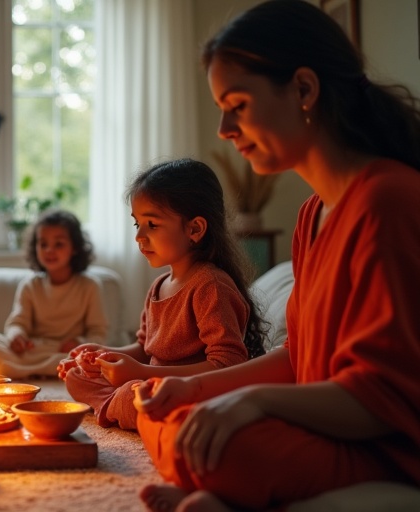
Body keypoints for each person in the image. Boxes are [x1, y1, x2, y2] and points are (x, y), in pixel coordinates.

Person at [133, 1, 420, 511]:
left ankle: (223, 490)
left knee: (225, 445)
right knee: (163, 411)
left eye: (237, 104)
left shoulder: (388, 201)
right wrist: (192, 387)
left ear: (304, 90)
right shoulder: (312, 215)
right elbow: (299, 360)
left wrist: (250, 400)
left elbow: (382, 400)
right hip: (324, 427)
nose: (223, 128)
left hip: (384, 445)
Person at [59, 159, 266, 431]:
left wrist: (142, 374)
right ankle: (120, 405)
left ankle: (121, 406)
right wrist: (103, 355)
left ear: (194, 229)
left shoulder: (210, 286)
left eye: (152, 225)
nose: (139, 236)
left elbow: (226, 366)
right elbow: (144, 350)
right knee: (78, 376)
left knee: (133, 392)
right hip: (150, 384)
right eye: (137, 225)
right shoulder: (158, 286)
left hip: (192, 393)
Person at [0, 209, 108, 378]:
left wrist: (79, 344)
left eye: (58, 244)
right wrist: (17, 336)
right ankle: (42, 372)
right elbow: (17, 322)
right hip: (31, 351)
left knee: (84, 360)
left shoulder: (89, 286)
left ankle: (22, 372)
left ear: (75, 248)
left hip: (64, 354)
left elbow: (98, 332)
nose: (49, 250)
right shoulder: (30, 285)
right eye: (43, 244)